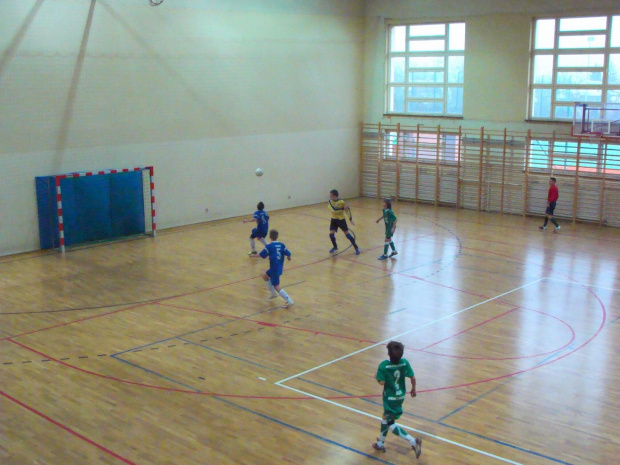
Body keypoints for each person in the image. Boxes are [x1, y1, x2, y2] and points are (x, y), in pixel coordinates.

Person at [372, 341, 422, 458]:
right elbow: (412, 377)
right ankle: (380, 444)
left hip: (389, 399)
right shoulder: (404, 363)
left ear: (388, 353)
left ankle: (413, 441)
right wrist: (413, 389)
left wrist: (376, 376)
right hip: (400, 397)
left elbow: (381, 382)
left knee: (390, 423)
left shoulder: (384, 365)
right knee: (385, 417)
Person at [260, 229, 294, 308]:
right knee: (265, 275)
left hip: (274, 268)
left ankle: (289, 300)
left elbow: (262, 255)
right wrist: (289, 257)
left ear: (270, 237)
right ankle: (273, 293)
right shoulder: (282, 245)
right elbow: (288, 253)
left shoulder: (269, 246)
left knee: (276, 286)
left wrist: (253, 255)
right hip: (278, 267)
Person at [328, 189, 360, 255]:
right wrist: (343, 208)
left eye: (331, 195)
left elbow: (347, 210)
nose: (330, 197)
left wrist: (350, 219)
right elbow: (334, 210)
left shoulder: (342, 202)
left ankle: (356, 248)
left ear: (335, 196)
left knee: (348, 235)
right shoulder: (330, 202)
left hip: (341, 220)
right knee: (331, 235)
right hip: (334, 220)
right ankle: (335, 247)